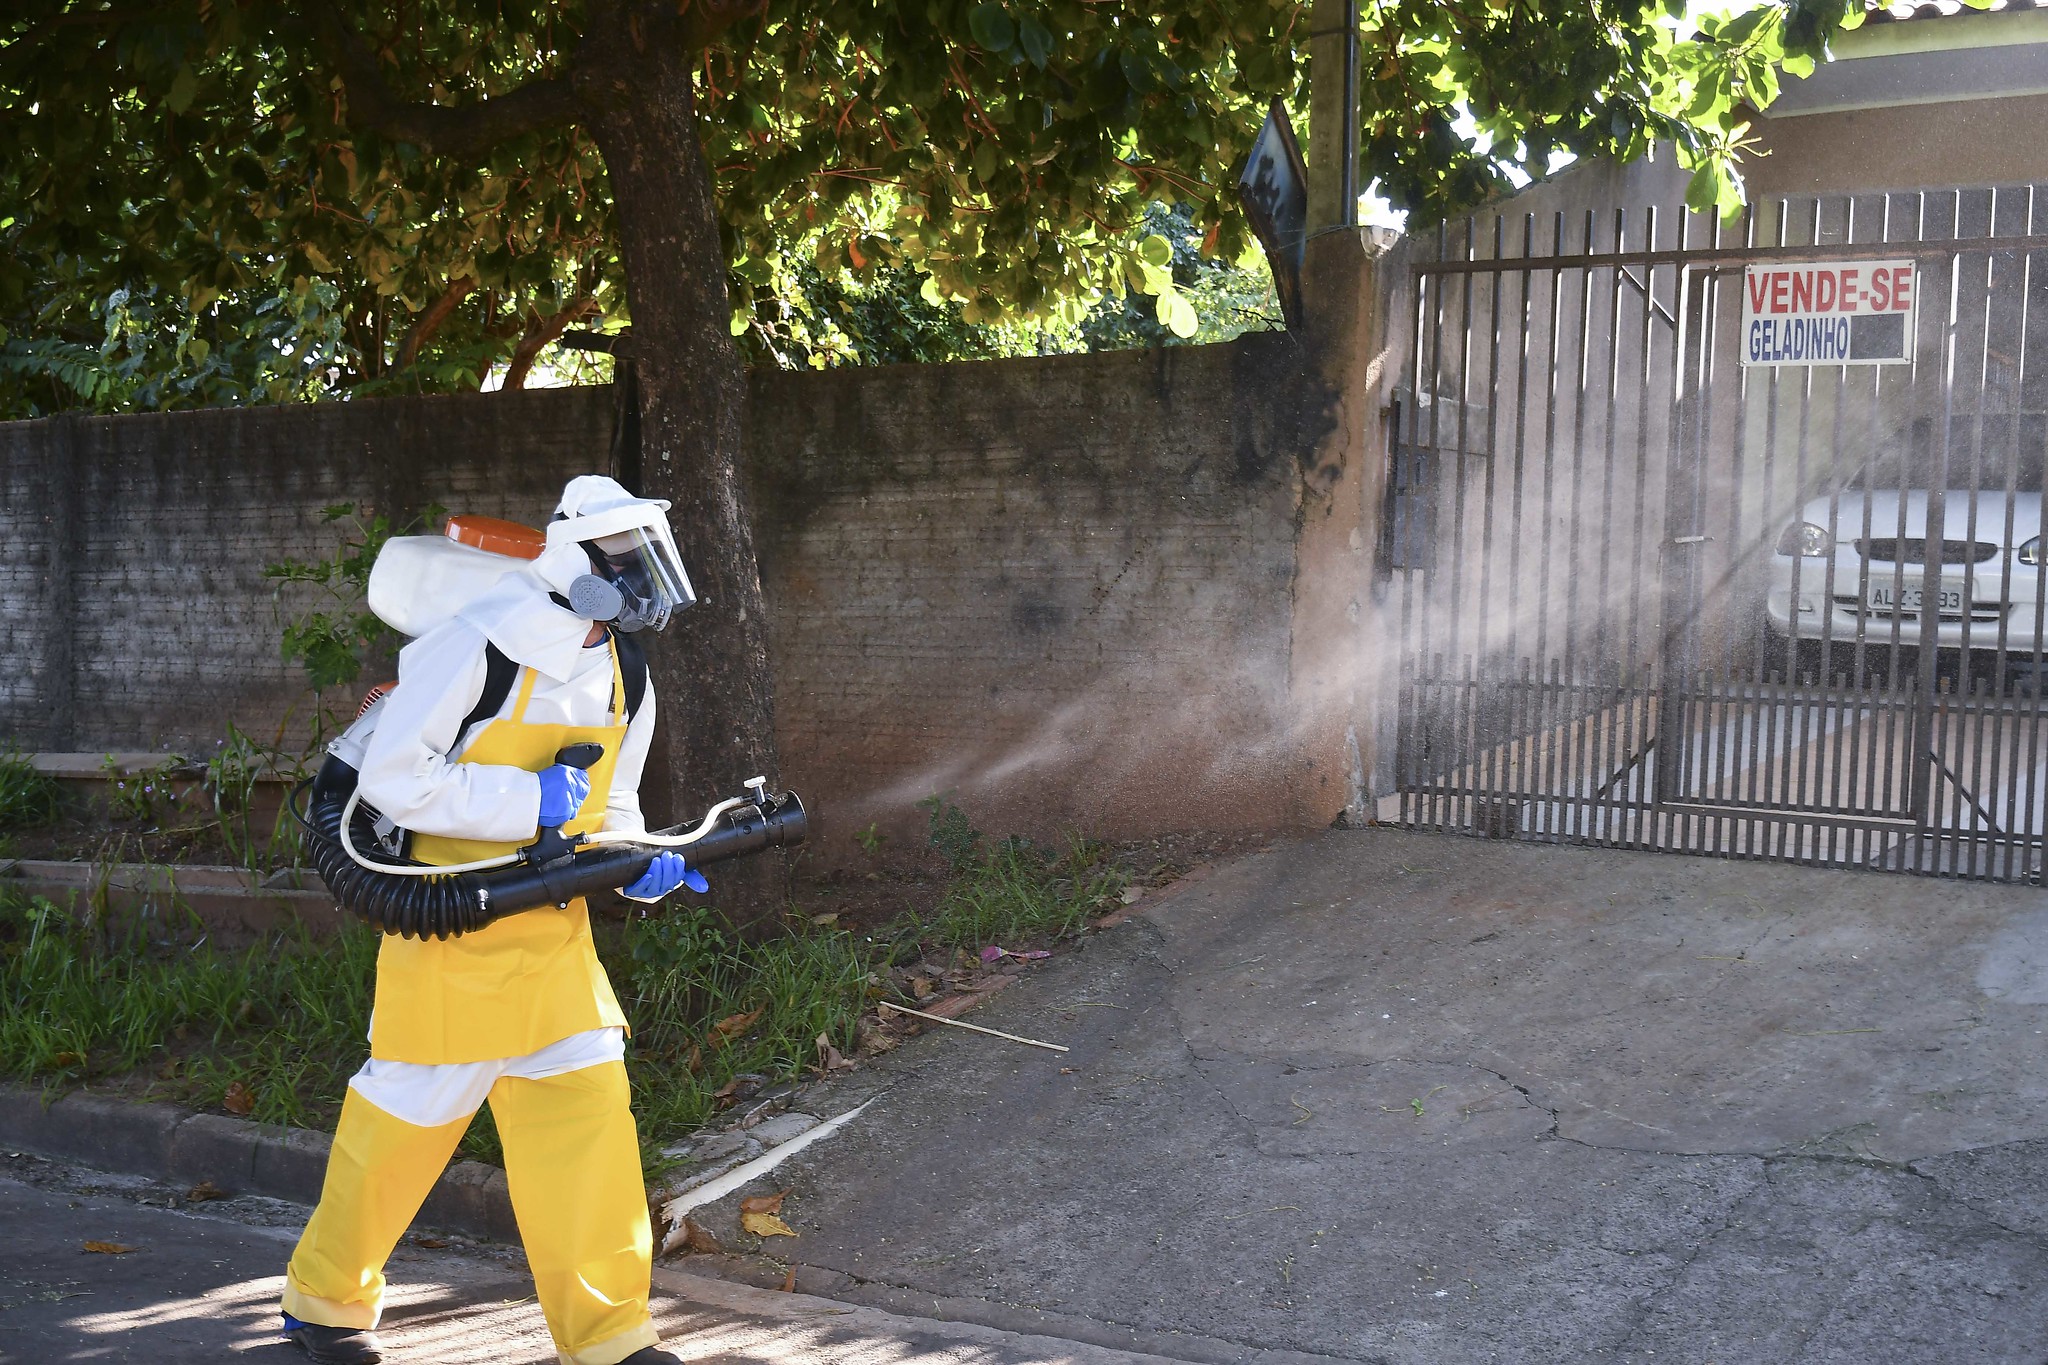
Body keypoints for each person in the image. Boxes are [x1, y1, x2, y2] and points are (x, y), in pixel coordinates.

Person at [281, 475, 704, 1365]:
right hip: (454, 927)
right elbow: (394, 776)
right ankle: (323, 1304)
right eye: (628, 561)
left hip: (553, 938)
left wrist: (642, 871)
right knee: (399, 1130)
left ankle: (611, 1337)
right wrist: (529, 799)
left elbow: (613, 806)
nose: (643, 581)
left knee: (590, 1123)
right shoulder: (474, 648)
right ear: (577, 562)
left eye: (647, 560)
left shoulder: (628, 668)